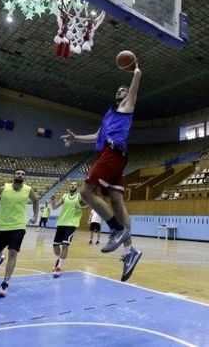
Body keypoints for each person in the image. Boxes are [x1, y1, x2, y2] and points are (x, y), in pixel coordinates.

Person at [61, 60, 143, 282]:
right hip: (114, 155)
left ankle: (116, 229)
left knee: (85, 193)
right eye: (119, 90)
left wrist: (136, 69)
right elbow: (96, 136)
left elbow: (135, 86)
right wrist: (76, 137)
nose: (122, 92)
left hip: (113, 153)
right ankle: (130, 252)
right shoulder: (110, 113)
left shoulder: (127, 107)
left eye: (124, 90)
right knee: (117, 201)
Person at [0, 168, 39, 297]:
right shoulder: (3, 188)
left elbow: (36, 201)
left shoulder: (28, 190)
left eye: (22, 174)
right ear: (14, 175)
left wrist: (35, 215)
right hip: (2, 226)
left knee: (13, 252)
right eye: (18, 173)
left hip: (19, 226)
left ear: (24, 177)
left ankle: (5, 283)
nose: (20, 175)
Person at [50, 182, 87, 277]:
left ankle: (58, 267)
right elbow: (54, 207)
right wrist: (52, 201)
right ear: (69, 187)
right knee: (55, 246)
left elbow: (90, 205)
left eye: (74, 185)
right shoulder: (65, 196)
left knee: (65, 245)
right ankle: (59, 260)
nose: (72, 186)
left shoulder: (79, 196)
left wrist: (81, 207)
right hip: (61, 222)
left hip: (71, 223)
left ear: (77, 187)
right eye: (71, 184)